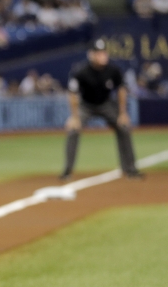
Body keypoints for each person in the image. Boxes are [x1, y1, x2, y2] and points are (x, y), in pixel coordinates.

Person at [60, 39, 143, 181]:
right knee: (73, 130)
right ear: (91, 55)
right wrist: (74, 117)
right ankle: (67, 170)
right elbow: (72, 93)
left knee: (123, 127)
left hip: (106, 104)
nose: (102, 56)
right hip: (86, 106)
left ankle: (130, 169)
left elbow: (122, 90)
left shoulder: (113, 70)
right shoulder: (81, 71)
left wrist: (123, 114)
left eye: (104, 53)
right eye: (98, 53)